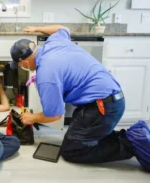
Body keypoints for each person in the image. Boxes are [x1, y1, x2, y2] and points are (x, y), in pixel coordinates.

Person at [9, 25, 150, 170]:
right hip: (110, 99)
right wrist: (36, 29)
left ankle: (132, 143)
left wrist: (32, 118)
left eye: (19, 65)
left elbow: (55, 115)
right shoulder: (54, 43)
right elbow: (63, 28)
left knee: (72, 150)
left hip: (104, 107)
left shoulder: (46, 75)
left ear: (24, 63)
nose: (21, 67)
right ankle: (135, 135)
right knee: (78, 134)